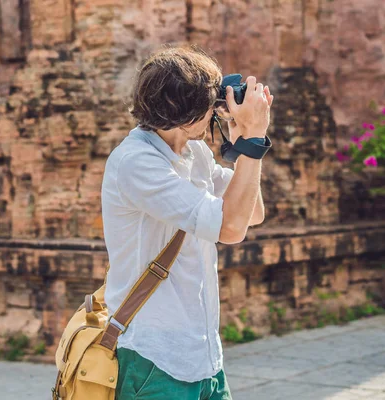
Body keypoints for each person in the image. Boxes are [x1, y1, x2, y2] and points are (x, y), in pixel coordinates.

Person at [100, 45, 273, 400]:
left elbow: (252, 213)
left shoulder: (194, 153)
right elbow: (230, 230)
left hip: (204, 356)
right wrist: (254, 139)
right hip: (154, 359)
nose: (216, 110)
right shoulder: (137, 163)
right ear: (185, 114)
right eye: (210, 102)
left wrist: (243, 142)